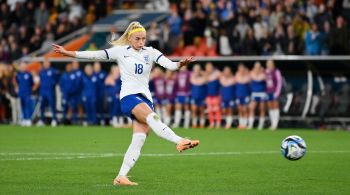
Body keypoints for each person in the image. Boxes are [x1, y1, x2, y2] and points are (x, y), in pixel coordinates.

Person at [52, 21, 199, 186]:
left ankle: (121, 177)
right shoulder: (121, 52)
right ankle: (178, 140)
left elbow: (170, 65)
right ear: (130, 38)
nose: (141, 42)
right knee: (153, 117)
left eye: (143, 38)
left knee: (139, 139)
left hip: (145, 99)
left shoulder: (150, 52)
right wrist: (69, 53)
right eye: (138, 38)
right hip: (129, 97)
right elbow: (94, 55)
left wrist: (180, 64)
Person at [37, 58, 58, 127]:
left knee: (52, 106)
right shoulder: (41, 71)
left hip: (50, 91)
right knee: (42, 106)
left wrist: (51, 85)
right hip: (42, 91)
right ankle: (42, 120)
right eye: (45, 63)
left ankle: (54, 120)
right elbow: (40, 80)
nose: (46, 64)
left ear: (49, 64)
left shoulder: (53, 71)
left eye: (47, 63)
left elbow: (56, 80)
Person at [248, 62, 267, 130]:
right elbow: (249, 83)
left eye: (258, 67)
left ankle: (261, 124)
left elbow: (267, 82)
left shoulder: (264, 74)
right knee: (251, 108)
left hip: (262, 93)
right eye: (256, 67)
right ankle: (250, 124)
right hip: (254, 93)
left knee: (262, 109)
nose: (257, 68)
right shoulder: (251, 74)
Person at [265, 60, 282, 130]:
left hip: (274, 92)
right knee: (270, 107)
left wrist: (277, 92)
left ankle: (275, 123)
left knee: (275, 107)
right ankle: (272, 123)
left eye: (270, 64)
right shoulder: (265, 72)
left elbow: (279, 82)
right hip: (268, 92)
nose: (269, 65)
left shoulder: (276, 71)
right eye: (268, 64)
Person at [15, 62, 34, 126]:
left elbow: (32, 83)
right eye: (21, 66)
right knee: (22, 106)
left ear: (26, 67)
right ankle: (24, 119)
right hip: (21, 93)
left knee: (27, 106)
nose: (22, 67)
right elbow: (17, 83)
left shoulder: (29, 74)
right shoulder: (18, 75)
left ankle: (28, 119)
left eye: (24, 66)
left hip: (27, 93)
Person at [205, 62, 221, 128]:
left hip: (216, 95)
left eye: (209, 67)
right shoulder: (206, 75)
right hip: (208, 95)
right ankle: (211, 123)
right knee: (210, 110)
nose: (208, 68)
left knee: (216, 110)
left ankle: (218, 123)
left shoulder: (217, 73)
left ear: (212, 67)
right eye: (207, 67)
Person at [190, 64, 207, 128]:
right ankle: (194, 124)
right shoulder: (192, 77)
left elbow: (205, 80)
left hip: (202, 96)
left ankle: (202, 124)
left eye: (198, 69)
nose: (197, 71)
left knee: (201, 110)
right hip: (194, 96)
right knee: (194, 110)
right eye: (195, 69)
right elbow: (192, 81)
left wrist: (202, 73)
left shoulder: (204, 77)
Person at [235, 63, 251, 129]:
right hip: (239, 95)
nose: (241, 70)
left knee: (245, 109)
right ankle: (241, 124)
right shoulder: (237, 76)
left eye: (242, 68)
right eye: (240, 68)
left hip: (245, 95)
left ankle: (245, 124)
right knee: (240, 109)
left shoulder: (248, 76)